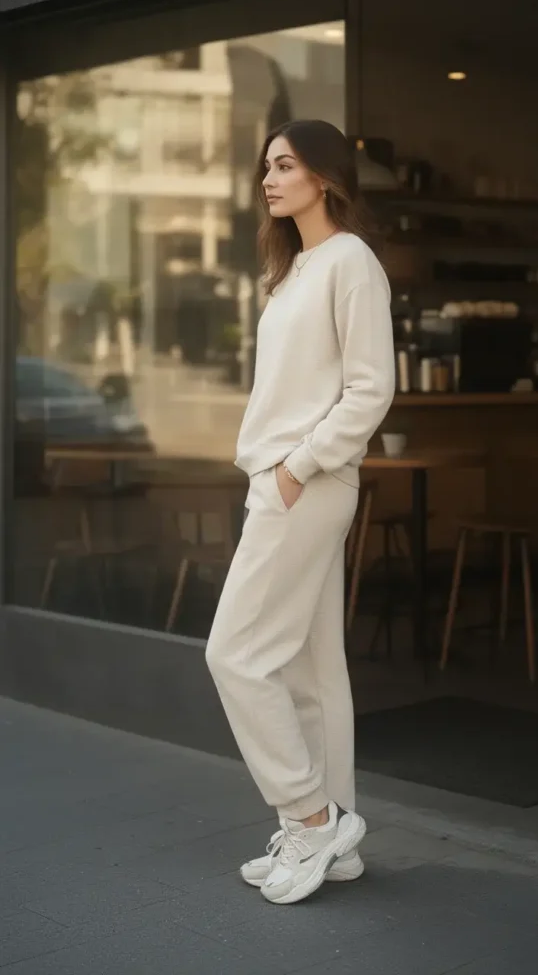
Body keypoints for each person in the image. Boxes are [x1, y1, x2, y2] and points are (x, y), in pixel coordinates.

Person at [206, 119, 395, 905]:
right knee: (310, 671)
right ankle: (335, 837)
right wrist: (275, 469)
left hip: (305, 483)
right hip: (282, 478)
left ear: (324, 175)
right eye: (266, 167)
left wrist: (297, 466)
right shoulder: (289, 272)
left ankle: (309, 817)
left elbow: (370, 388)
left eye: (284, 165)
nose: (269, 180)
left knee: (235, 654)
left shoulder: (350, 262)